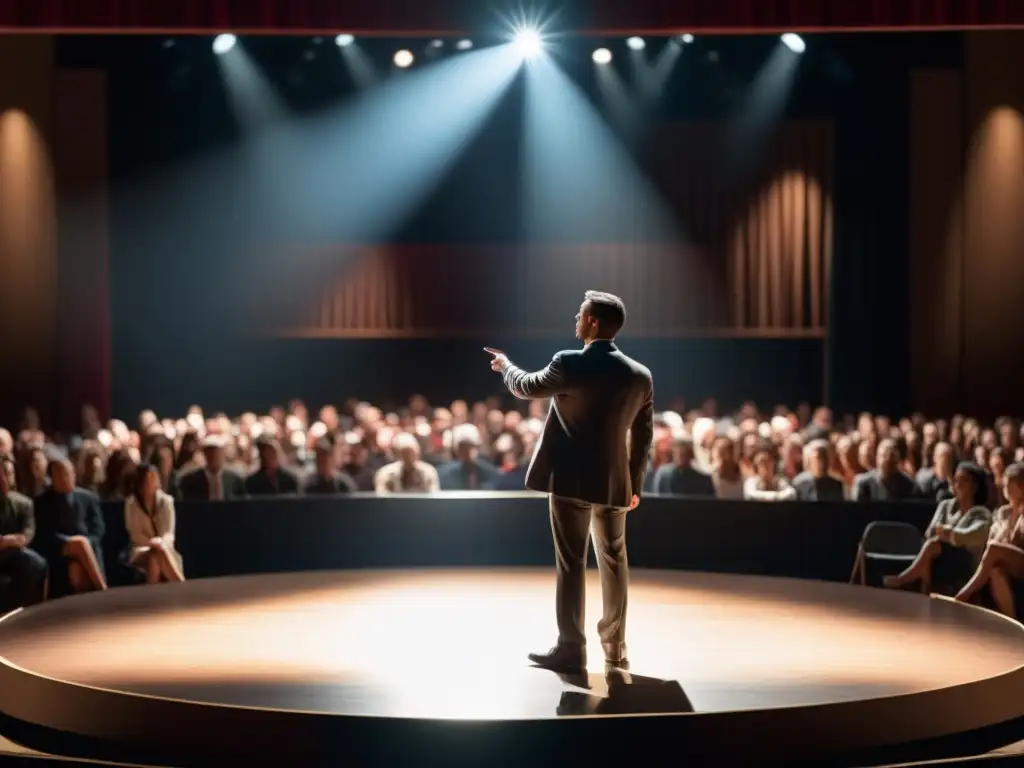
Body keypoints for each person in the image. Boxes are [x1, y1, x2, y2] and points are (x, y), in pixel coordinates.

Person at [485, 290, 653, 673]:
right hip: (615, 484)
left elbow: (525, 386)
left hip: (570, 481)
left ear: (592, 321)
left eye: (580, 313)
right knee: (614, 562)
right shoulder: (640, 376)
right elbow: (643, 438)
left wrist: (505, 365)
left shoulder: (568, 362)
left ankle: (571, 648)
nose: (575, 318)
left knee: (571, 563)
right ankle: (615, 647)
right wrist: (634, 485)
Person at [883, 461, 991, 594]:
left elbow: (975, 535)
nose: (958, 485)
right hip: (939, 559)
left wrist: (950, 534)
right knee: (932, 544)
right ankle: (921, 574)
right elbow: (931, 531)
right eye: (956, 480)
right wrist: (943, 534)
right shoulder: (945, 505)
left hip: (965, 565)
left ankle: (905, 579)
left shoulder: (981, 513)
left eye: (963, 481)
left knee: (934, 545)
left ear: (975, 487)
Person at [955, 462, 1024, 616]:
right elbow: (995, 540)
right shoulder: (1003, 513)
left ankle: (964, 594)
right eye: (1005, 482)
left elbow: (1012, 543)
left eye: (1011, 483)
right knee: (995, 571)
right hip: (1008, 564)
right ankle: (1012, 619)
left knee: (994, 549)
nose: (1006, 486)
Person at [32, 459, 107, 595]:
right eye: (62, 475)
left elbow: (98, 529)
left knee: (77, 571)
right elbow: (45, 532)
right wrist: (69, 541)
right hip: (58, 546)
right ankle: (103, 590)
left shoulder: (88, 498)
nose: (67, 478)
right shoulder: (42, 502)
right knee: (79, 543)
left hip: (88, 547)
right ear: (52, 479)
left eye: (70, 474)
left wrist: (88, 543)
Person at [124, 463, 185, 584]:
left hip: (164, 548)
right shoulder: (131, 504)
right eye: (148, 478)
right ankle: (182, 585)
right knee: (156, 552)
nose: (152, 481)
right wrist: (152, 543)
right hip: (140, 550)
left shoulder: (167, 501)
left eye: (154, 477)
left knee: (154, 558)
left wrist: (159, 543)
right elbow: (135, 535)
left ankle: (152, 598)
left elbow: (169, 534)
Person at [0, 453, 47, 607]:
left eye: (8, 473)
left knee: (35, 562)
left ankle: (21, 610)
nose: (5, 478)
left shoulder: (24, 503)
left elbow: (27, 533)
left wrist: (9, 541)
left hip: (13, 553)